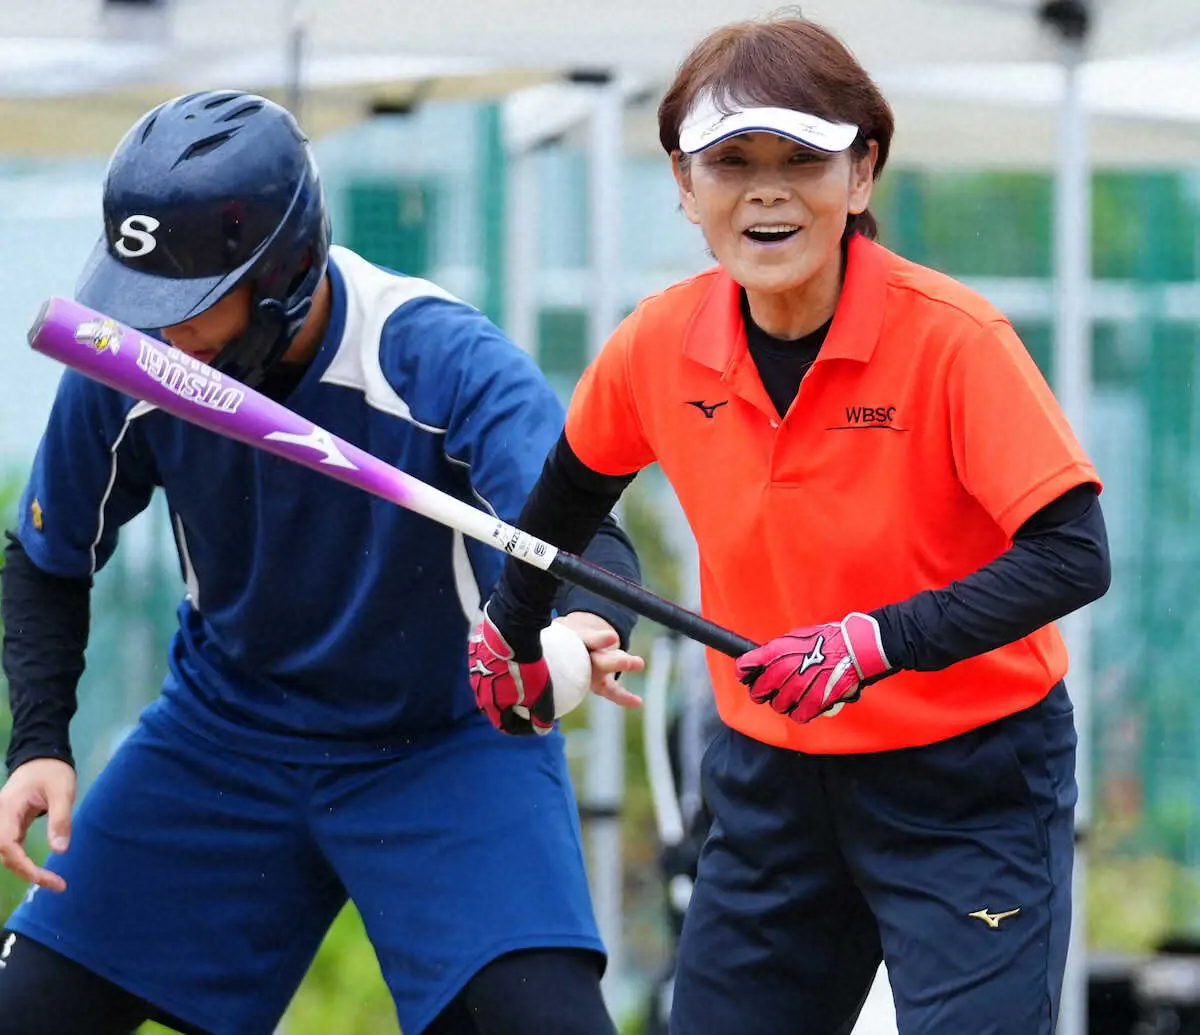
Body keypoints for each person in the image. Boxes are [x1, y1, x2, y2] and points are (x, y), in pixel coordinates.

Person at [469, 16, 1111, 1035]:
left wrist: (876, 640)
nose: (766, 189)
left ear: (862, 174)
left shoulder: (956, 343)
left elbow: (1073, 556)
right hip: (770, 782)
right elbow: (570, 496)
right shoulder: (657, 345)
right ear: (683, 187)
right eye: (730, 161)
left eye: (802, 157)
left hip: (970, 780)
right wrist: (509, 624)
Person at [0, 91, 644, 1035]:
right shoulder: (131, 361)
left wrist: (586, 625)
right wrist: (40, 739)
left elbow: (583, 537)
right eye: (141, 303)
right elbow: (48, 557)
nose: (159, 332)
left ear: (290, 270)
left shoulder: (436, 356)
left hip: (447, 745)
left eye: (188, 304)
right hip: (224, 736)